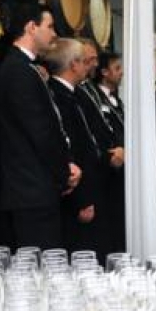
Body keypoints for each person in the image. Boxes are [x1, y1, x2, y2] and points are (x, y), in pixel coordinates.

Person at [0, 5, 80, 249]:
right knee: (42, 264)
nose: (54, 34)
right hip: (31, 190)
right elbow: (41, 132)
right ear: (31, 27)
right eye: (49, 26)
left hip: (34, 188)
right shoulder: (18, 71)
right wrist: (64, 172)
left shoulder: (24, 68)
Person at [43, 38, 98, 250]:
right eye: (84, 61)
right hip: (75, 196)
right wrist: (83, 200)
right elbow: (72, 149)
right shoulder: (59, 95)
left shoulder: (72, 93)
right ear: (74, 64)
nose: (88, 66)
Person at [93, 51, 126, 251]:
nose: (121, 72)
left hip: (121, 171)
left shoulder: (117, 100)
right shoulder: (95, 98)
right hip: (107, 168)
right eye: (117, 68)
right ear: (104, 72)